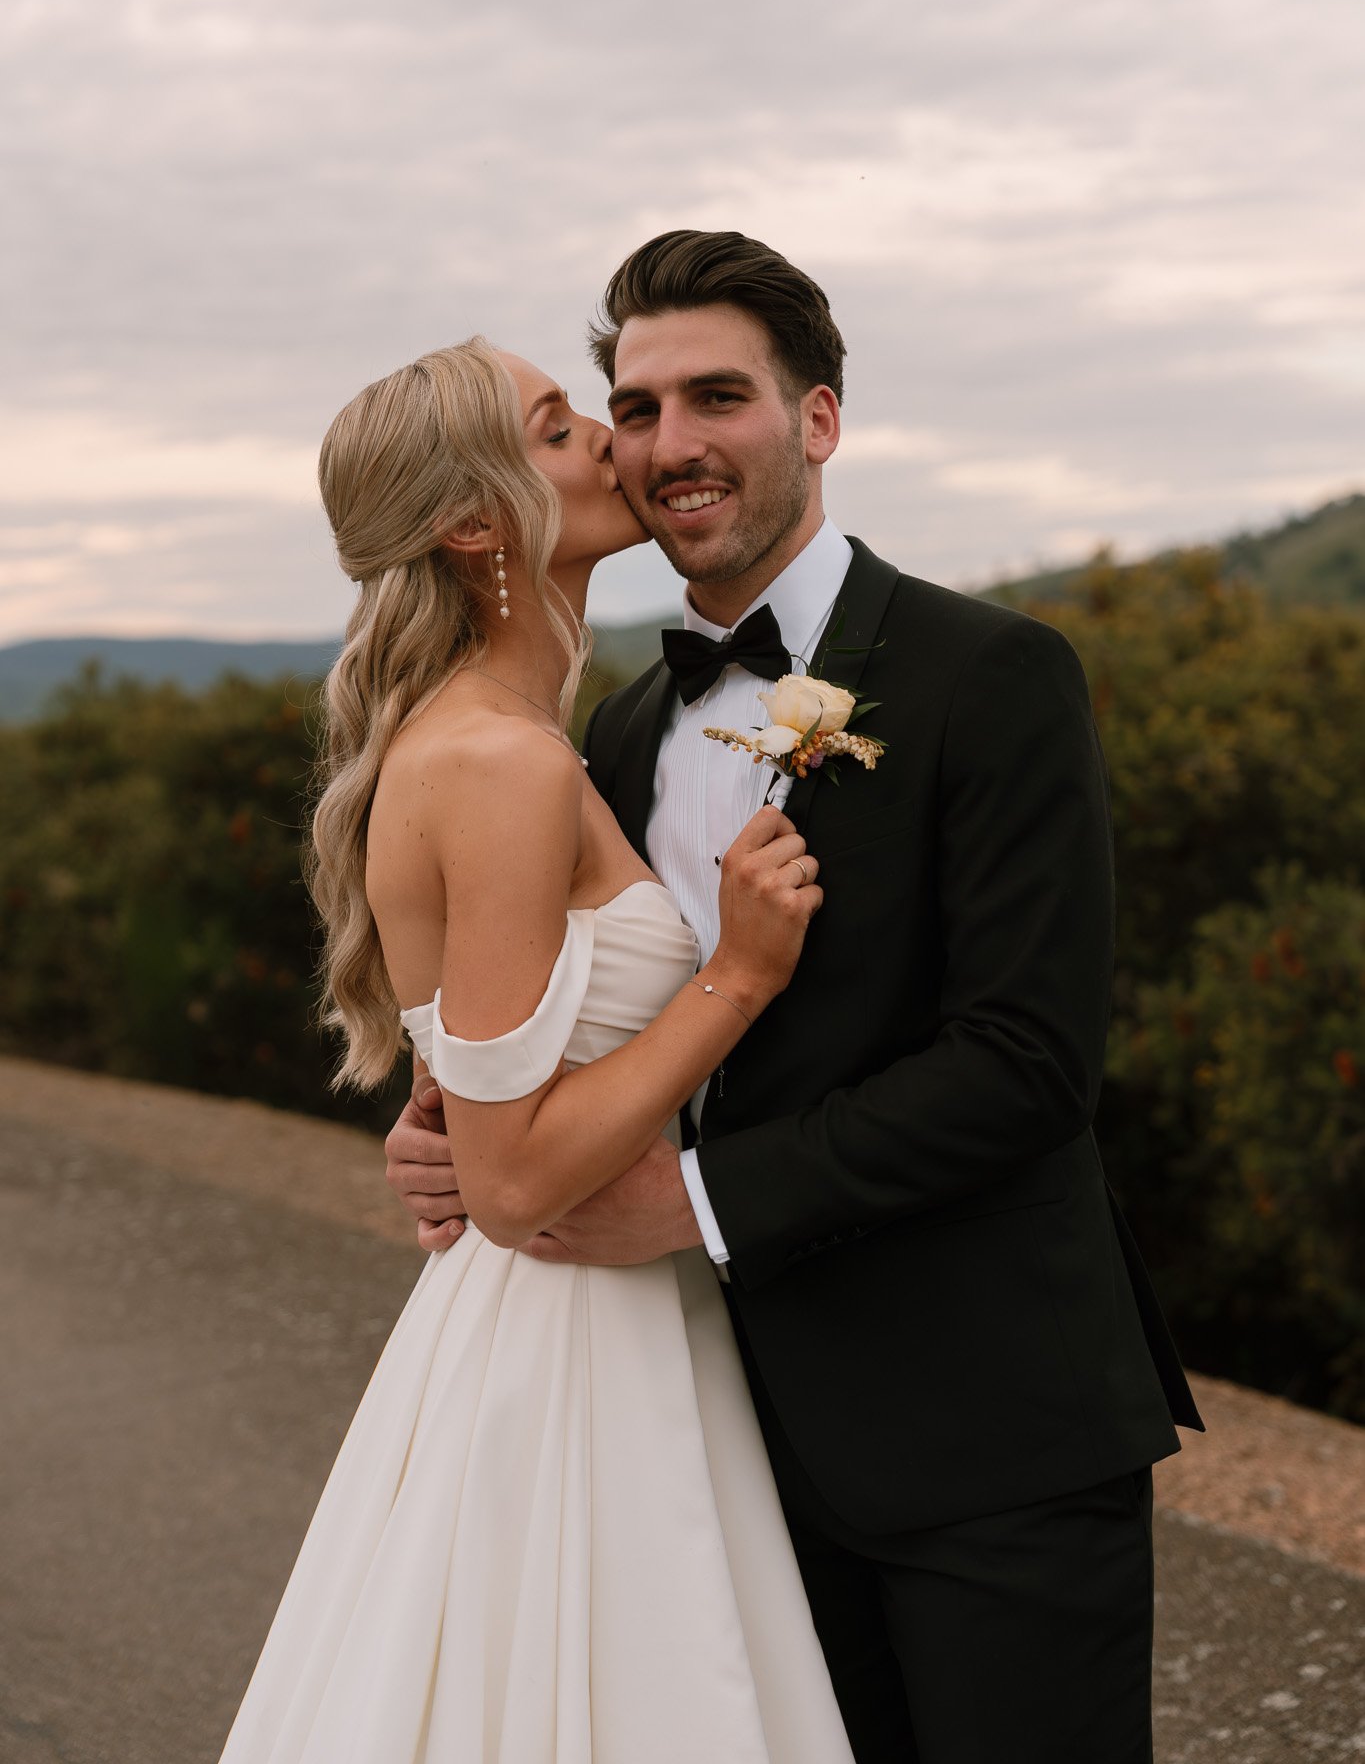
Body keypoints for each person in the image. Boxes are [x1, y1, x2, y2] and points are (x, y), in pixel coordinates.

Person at [386, 230, 1206, 1764]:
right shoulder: (607, 739)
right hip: (709, 1456)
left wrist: (688, 1201)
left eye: (718, 397)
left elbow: (1025, 1065)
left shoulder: (996, 673)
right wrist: (460, 1125)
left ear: (816, 419)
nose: (670, 444)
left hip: (986, 1439)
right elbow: (581, 1030)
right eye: (633, 408)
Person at [218, 336, 858, 1763]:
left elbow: (483, 1093)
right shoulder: (500, 765)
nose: (615, 447)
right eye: (564, 427)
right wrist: (737, 980)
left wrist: (444, 1113)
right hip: (575, 1342)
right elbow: (511, 1190)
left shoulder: (511, 740)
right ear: (471, 519)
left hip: (600, 1322)